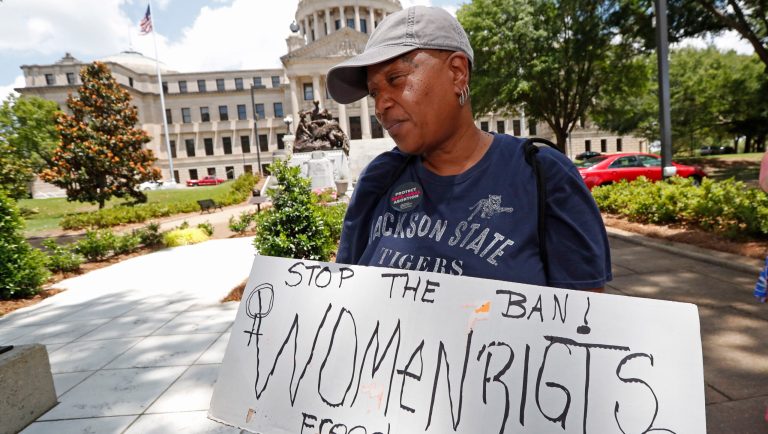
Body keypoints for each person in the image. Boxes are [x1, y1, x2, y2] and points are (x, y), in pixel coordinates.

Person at [327, 6, 611, 291]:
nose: (380, 106)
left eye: (395, 79)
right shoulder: (379, 178)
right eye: (374, 92)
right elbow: (346, 295)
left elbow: (583, 319)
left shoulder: (544, 175)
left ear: (457, 72)